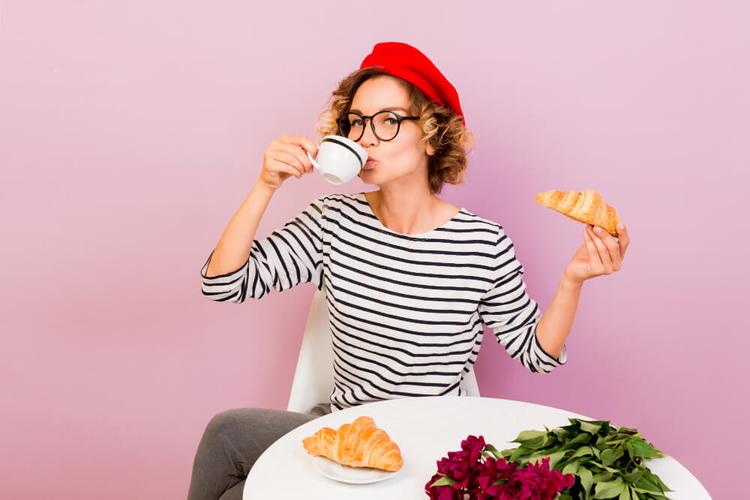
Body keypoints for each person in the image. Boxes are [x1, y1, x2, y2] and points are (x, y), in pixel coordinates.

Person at [187, 41, 630, 500]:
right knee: (228, 436)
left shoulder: (482, 244)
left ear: (432, 133)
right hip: (342, 437)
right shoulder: (332, 221)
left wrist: (573, 278)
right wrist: (265, 186)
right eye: (356, 122)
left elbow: (536, 354)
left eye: (388, 121)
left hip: (430, 452)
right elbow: (222, 283)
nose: (365, 137)